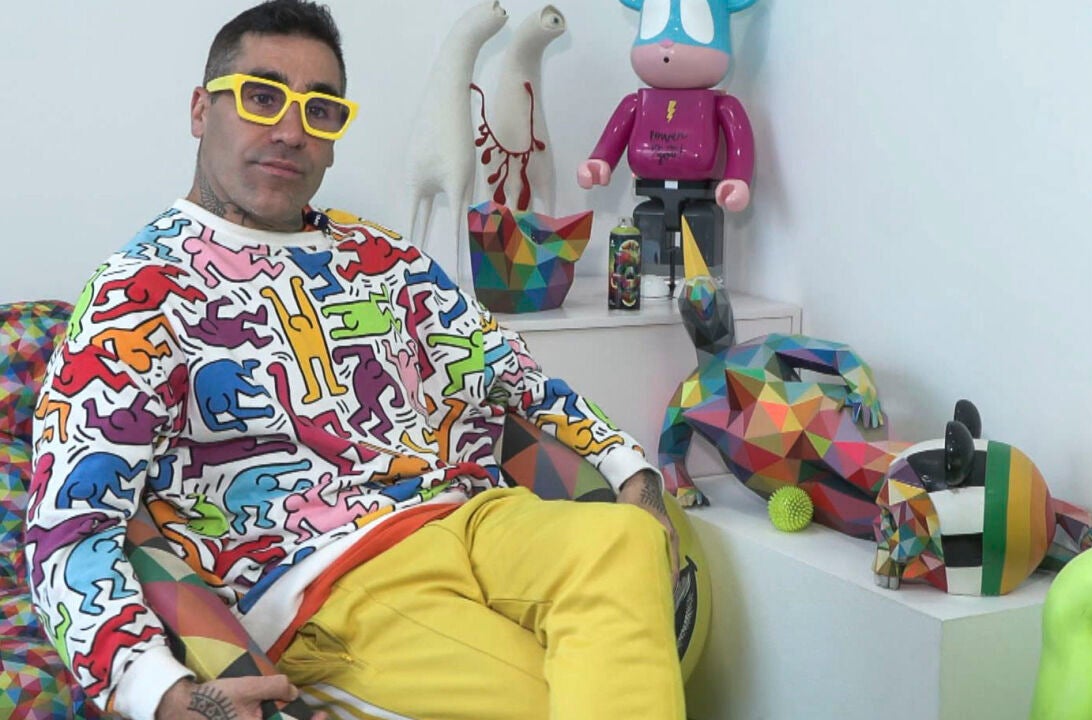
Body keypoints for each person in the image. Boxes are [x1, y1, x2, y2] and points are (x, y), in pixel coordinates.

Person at [24, 2, 684, 719]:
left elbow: (513, 374)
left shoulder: (381, 255)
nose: (290, 130)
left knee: (626, 538)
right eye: (261, 96)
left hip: (474, 517)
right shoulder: (137, 293)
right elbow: (70, 527)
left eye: (320, 110)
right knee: (554, 697)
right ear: (200, 110)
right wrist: (157, 691)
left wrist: (631, 469)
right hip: (331, 582)